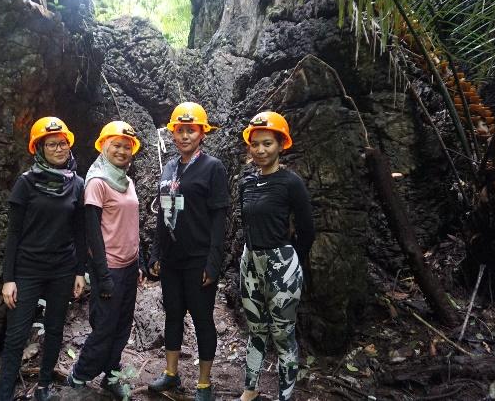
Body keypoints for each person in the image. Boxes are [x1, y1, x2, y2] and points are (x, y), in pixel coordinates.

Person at [0, 117, 87, 401]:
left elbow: (80, 232)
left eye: (63, 143)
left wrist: (80, 272)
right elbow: (13, 235)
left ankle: (44, 386)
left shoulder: (77, 184)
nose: (59, 149)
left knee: (55, 329)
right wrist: (8, 279)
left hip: (62, 268)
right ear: (39, 148)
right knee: (16, 335)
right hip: (28, 268)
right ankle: (4, 393)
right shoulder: (25, 184)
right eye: (52, 144)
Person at [148, 102, 230, 401]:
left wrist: (214, 261)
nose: (184, 136)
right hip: (171, 260)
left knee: (202, 318)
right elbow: (162, 215)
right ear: (172, 134)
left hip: (199, 259)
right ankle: (171, 374)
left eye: (190, 130)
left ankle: (204, 383)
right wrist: (155, 254)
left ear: (202, 134)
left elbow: (220, 218)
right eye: (179, 130)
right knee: (172, 315)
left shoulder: (213, 167)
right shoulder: (169, 167)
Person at [237, 111, 315, 401]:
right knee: (256, 329)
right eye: (255, 144)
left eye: (267, 143)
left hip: (281, 264)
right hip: (250, 262)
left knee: (283, 334)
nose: (260, 150)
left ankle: (285, 394)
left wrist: (291, 260)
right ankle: (250, 388)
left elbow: (308, 230)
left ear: (281, 144)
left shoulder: (291, 182)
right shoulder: (245, 183)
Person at [68, 121, 145, 400]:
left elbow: (132, 223)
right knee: (104, 329)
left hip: (128, 265)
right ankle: (79, 375)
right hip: (108, 267)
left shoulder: (128, 181)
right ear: (103, 146)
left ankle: (111, 375)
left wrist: (139, 261)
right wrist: (102, 275)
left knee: (122, 326)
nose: (122, 150)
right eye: (116, 145)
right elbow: (92, 234)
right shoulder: (97, 182)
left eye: (127, 146)